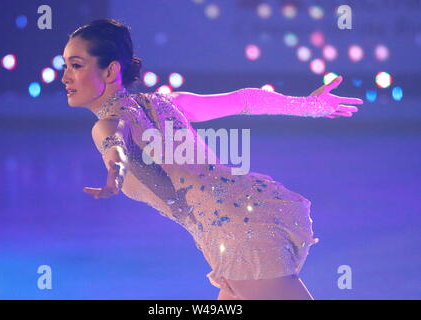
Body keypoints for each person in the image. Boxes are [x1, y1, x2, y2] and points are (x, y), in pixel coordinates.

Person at [61, 19, 363, 300]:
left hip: (238, 237)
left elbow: (114, 139)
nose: (65, 77)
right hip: (251, 213)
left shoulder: (108, 123)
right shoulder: (169, 102)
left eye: (76, 65)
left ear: (111, 72)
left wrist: (116, 169)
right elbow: (245, 100)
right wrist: (309, 105)